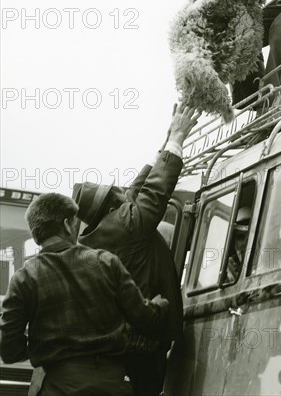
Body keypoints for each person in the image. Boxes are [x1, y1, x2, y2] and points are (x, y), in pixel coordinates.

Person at [73, 104, 200, 396]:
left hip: (123, 339)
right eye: (114, 193)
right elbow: (155, 192)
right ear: (110, 205)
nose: (121, 192)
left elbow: (137, 189)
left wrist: (168, 139)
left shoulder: (106, 228)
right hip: (142, 341)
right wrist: (178, 138)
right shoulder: (127, 223)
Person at [0, 192, 169, 396]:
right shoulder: (106, 262)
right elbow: (144, 318)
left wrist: (44, 347)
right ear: (67, 224)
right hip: (111, 385)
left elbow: (8, 350)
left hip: (58, 386)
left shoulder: (24, 278)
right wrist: (159, 305)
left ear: (36, 234)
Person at [226, 206, 251, 283]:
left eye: (250, 236)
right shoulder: (226, 271)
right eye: (240, 237)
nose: (245, 243)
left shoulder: (270, 263)